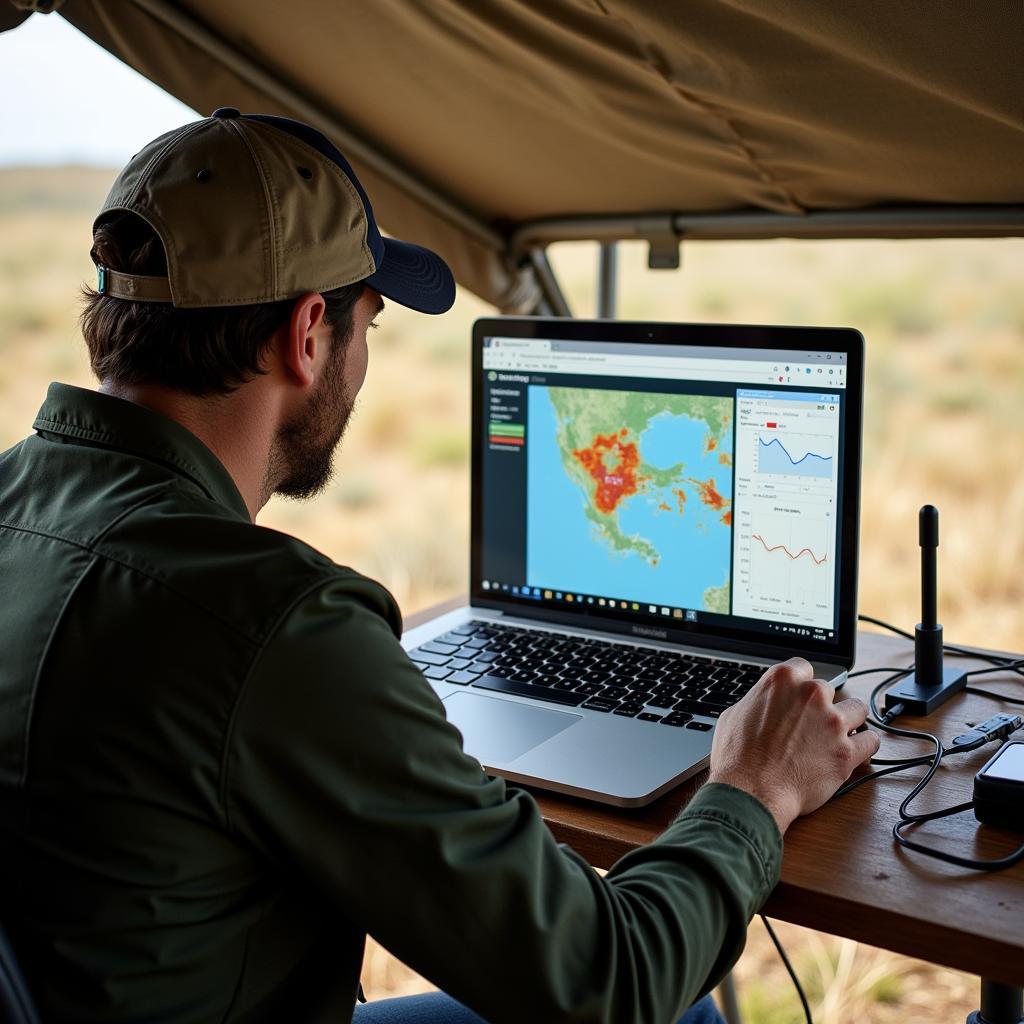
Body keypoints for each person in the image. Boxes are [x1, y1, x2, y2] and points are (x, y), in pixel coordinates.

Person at [0, 108, 879, 1024]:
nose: (363, 358)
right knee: (679, 1014)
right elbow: (610, 979)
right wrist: (751, 788)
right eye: (368, 324)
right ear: (308, 334)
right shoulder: (272, 623)